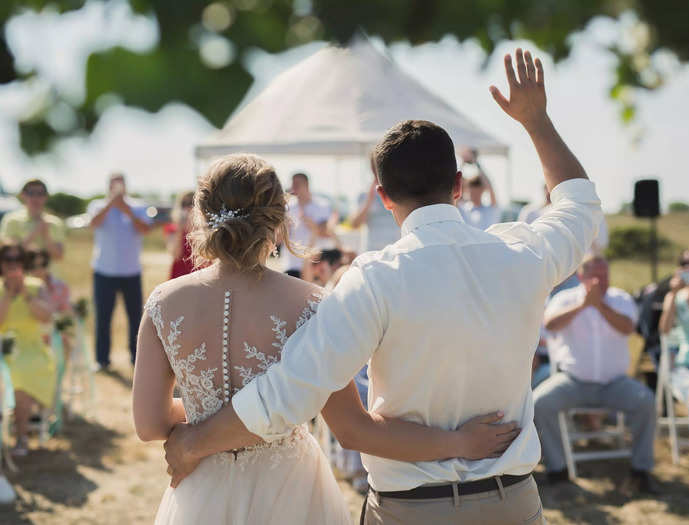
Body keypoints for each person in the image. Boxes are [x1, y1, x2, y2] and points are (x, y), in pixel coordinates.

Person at [164, 49, 603, 524]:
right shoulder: (526, 254)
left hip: (411, 510)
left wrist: (195, 440)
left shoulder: (374, 280)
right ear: (457, 184)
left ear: (382, 196)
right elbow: (579, 206)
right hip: (512, 503)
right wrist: (535, 121)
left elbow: (291, 390)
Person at [132, 154, 520, 524]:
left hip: (201, 489)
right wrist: (459, 444)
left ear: (201, 216)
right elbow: (355, 428)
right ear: (279, 220)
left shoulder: (164, 302)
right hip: (288, 490)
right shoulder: (311, 304)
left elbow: (149, 425)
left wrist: (206, 415)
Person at [535, 255, 656, 492]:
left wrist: (600, 305)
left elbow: (627, 327)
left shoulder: (620, 299)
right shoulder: (564, 299)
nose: (603, 280)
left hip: (615, 383)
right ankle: (557, 470)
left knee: (646, 402)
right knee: (540, 403)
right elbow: (550, 325)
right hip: (573, 381)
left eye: (606, 275)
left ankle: (641, 471)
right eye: (597, 276)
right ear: (582, 277)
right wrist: (583, 305)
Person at [88, 173, 152, 369]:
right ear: (108, 186)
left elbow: (144, 229)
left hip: (131, 271)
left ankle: (136, 358)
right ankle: (102, 360)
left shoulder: (138, 206)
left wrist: (127, 210)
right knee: (103, 317)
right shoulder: (97, 205)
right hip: (103, 271)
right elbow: (93, 224)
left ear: (125, 186)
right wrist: (110, 205)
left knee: (135, 317)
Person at [0, 243, 54, 455]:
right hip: (3, 347)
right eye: (8, 260)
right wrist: (7, 294)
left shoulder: (35, 286)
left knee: (21, 375)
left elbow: (46, 316)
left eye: (17, 260)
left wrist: (24, 294)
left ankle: (21, 437)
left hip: (31, 349)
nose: (13, 265)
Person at [659, 250, 689, 450]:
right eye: (684, 265)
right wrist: (673, 294)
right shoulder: (675, 298)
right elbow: (664, 330)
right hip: (686, 364)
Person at [279, 173, 332, 277]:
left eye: (297, 184)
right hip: (291, 264)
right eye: (293, 184)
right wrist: (284, 228)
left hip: (314, 265)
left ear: (306, 185)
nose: (293, 188)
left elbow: (325, 232)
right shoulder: (287, 207)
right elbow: (279, 239)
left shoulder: (322, 205)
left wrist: (311, 224)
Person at [0, 179, 66, 260]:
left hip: (48, 272)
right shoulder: (11, 220)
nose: (35, 197)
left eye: (40, 193)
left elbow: (59, 256)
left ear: (46, 197)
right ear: (22, 195)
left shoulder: (55, 222)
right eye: (31, 193)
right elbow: (10, 254)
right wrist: (35, 232)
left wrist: (46, 235)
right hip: (21, 273)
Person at [350, 156, 400, 253]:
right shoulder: (364, 195)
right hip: (371, 253)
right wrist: (369, 199)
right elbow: (354, 224)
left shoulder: (399, 192)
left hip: (396, 253)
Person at [457, 149, 501, 230]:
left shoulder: (490, 209)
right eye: (471, 189)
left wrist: (476, 163)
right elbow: (457, 183)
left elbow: (490, 187)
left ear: (483, 190)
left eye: (477, 189)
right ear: (467, 189)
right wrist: (463, 163)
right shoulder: (463, 208)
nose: (474, 193)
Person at [164, 191, 196, 279]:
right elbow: (176, 255)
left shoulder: (203, 230)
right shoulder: (172, 227)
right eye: (184, 204)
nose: (188, 207)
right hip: (179, 274)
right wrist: (180, 230)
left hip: (199, 274)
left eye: (192, 203)